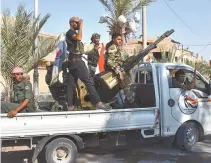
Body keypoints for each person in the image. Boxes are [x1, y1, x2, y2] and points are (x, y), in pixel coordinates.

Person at [64, 16, 111, 111]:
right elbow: (79, 38)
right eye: (77, 23)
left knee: (71, 84)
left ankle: (70, 106)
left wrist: (93, 49)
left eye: (79, 23)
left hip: (72, 60)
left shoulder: (72, 34)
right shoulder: (70, 32)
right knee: (89, 81)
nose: (78, 24)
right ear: (72, 23)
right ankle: (98, 103)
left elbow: (80, 50)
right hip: (76, 61)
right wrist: (81, 26)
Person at [105, 33, 133, 103]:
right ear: (113, 39)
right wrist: (117, 70)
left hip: (122, 69)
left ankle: (128, 100)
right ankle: (130, 100)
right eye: (118, 39)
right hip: (116, 71)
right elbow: (109, 61)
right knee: (125, 85)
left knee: (126, 86)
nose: (120, 41)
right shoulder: (112, 47)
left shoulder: (119, 48)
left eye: (121, 39)